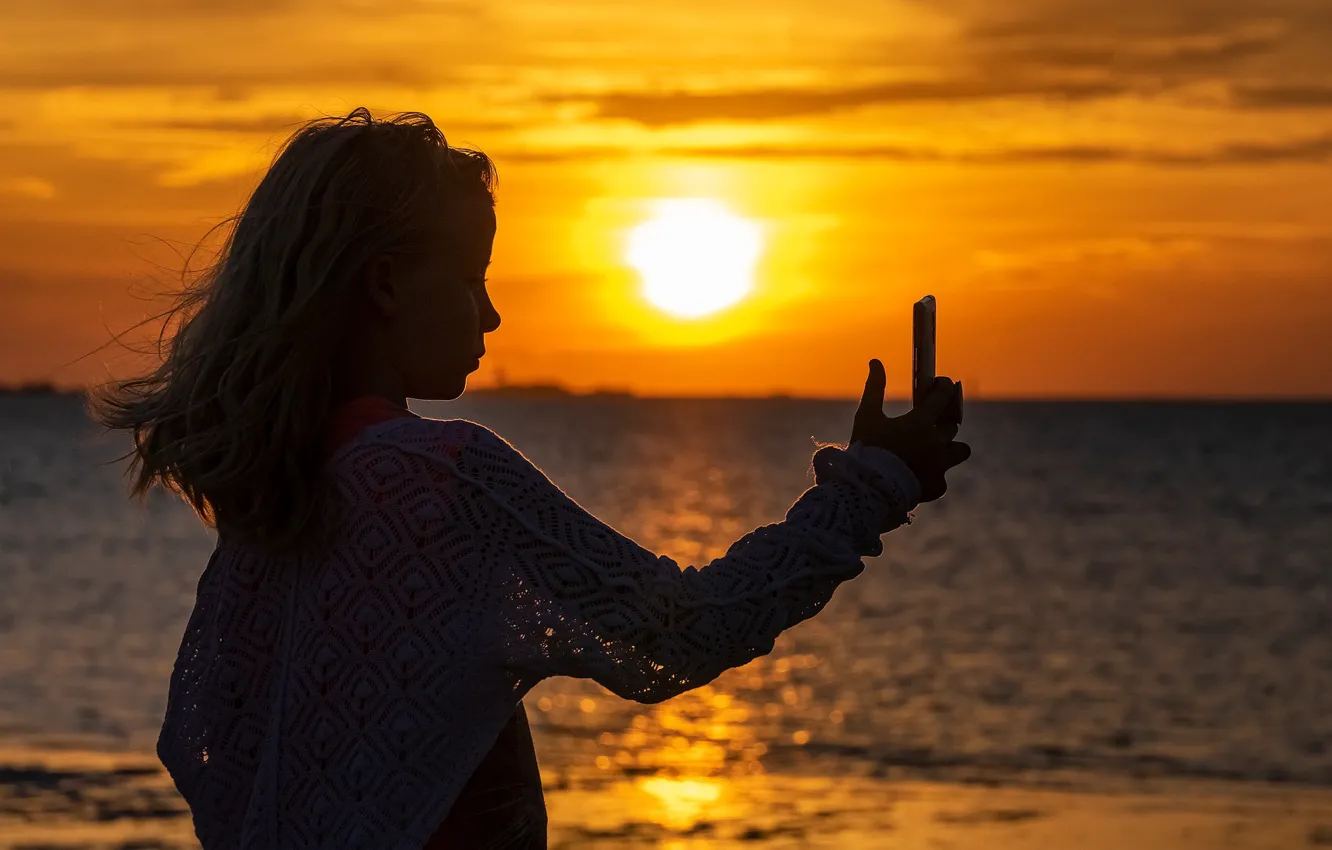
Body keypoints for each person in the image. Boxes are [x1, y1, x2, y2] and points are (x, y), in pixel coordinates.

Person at [86, 107, 971, 850]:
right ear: (386, 284)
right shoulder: (440, 476)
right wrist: (872, 484)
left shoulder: (270, 498)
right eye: (472, 279)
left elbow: (208, 747)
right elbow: (678, 634)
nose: (493, 311)